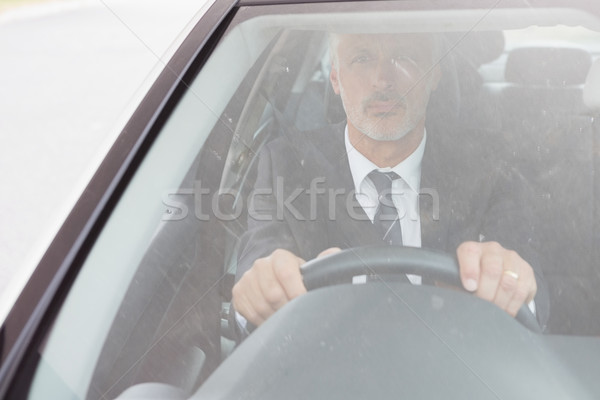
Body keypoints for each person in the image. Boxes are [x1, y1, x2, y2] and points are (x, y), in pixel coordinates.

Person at [231, 32, 549, 334]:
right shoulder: (285, 163)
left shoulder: (488, 166)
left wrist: (509, 283)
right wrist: (260, 290)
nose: (383, 79)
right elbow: (257, 269)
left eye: (405, 57)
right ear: (336, 78)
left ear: (435, 74)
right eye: (362, 58)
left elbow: (528, 285)